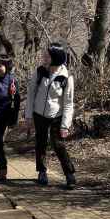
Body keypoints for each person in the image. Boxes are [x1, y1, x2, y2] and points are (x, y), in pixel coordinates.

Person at [25, 43, 76, 189]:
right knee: (40, 143)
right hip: (39, 114)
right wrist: (28, 116)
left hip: (57, 115)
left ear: (55, 58)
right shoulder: (40, 71)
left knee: (58, 145)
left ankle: (69, 174)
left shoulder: (66, 77)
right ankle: (42, 171)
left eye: (46, 56)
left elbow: (68, 103)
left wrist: (65, 125)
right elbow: (30, 95)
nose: (43, 57)